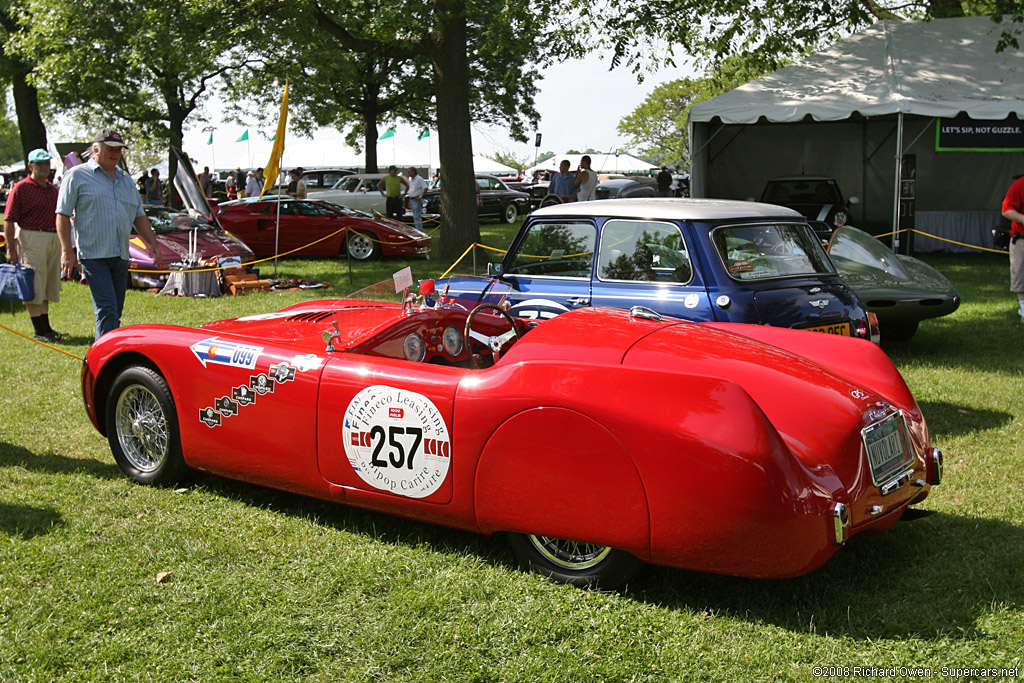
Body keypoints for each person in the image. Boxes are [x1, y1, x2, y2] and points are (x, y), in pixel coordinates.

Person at [56, 128, 159, 339]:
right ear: (96, 149)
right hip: (94, 255)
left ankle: (106, 350)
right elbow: (62, 214)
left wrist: (152, 242)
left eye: (119, 150)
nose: (115, 153)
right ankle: (104, 362)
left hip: (120, 254)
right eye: (110, 148)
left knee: (115, 311)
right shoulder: (77, 175)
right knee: (107, 309)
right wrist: (67, 250)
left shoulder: (126, 179)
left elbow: (138, 215)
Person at [3, 149, 65, 341]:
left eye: (47, 163)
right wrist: (10, 248)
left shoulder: (52, 190)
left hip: (52, 237)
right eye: (40, 164)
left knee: (47, 284)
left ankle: (46, 328)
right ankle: (38, 330)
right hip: (31, 237)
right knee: (34, 283)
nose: (45, 167)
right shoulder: (21, 188)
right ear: (31, 166)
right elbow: (9, 219)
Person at [1001, 173, 1024, 323]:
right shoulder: (1019, 185)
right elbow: (1006, 210)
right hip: (1022, 238)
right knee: (1020, 276)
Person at [406, 166, 427, 231]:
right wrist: (410, 200)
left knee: (417, 217)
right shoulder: (411, 180)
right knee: (415, 216)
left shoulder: (419, 179)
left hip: (416, 199)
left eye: (409, 172)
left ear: (413, 172)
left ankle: (419, 231)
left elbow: (425, 188)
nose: (408, 173)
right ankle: (417, 230)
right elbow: (411, 190)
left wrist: (420, 196)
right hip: (412, 199)